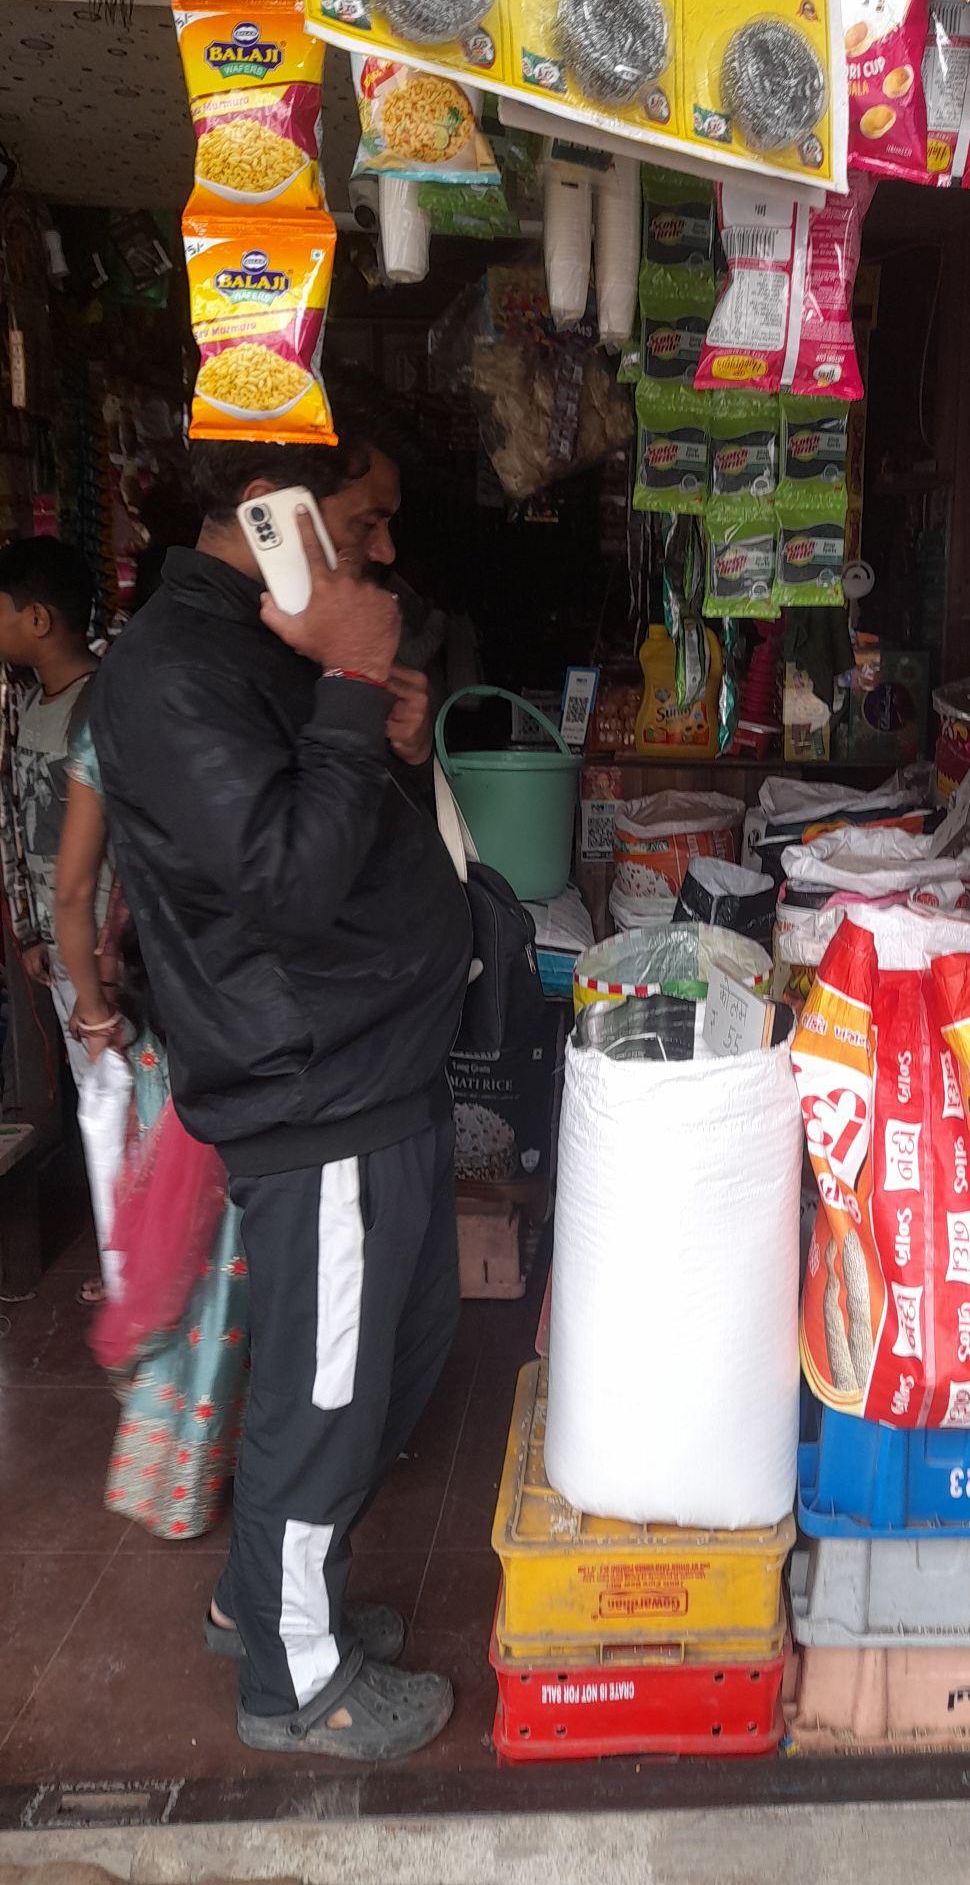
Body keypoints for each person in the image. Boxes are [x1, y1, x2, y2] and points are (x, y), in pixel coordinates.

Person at [89, 381, 473, 1762]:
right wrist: (352, 687)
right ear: (273, 512)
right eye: (366, 520)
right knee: (325, 1399)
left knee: (384, 1368)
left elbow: (333, 835)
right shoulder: (170, 672)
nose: (384, 551)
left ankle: (265, 1597)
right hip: (319, 1090)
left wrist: (389, 740)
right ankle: (294, 1681)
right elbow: (288, 888)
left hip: (373, 1070)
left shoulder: (268, 640)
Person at [53, 716, 249, 1541]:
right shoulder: (233, 690)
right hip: (241, 994)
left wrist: (94, 1009)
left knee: (179, 1236)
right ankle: (240, 1456)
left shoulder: (109, 720)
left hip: (155, 992)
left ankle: (180, 1473)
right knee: (235, 1242)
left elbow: (72, 891)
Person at [0, 535, 129, 1298]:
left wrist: (107, 957)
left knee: (124, 1105)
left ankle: (136, 1272)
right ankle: (125, 1266)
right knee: (98, 1102)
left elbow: (131, 850)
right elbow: (14, 826)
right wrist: (28, 929)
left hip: (105, 953)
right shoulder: (24, 706)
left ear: (38, 619)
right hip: (58, 946)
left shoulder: (101, 707)